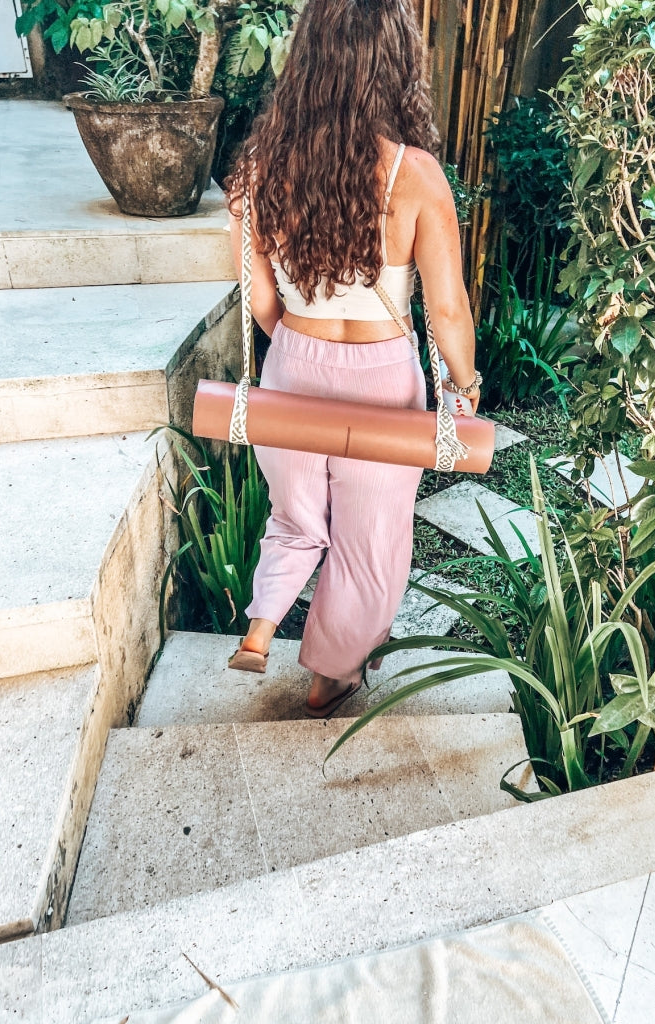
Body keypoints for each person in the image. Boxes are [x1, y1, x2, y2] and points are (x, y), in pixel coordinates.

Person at [222, 0, 482, 719]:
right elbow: (448, 310)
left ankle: (263, 623)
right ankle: (330, 675)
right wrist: (466, 384)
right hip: (381, 383)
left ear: (307, 58)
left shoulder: (257, 169)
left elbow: (261, 302)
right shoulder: (415, 175)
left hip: (292, 367)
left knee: (295, 515)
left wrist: (300, 348)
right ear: (394, 62)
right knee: (370, 543)